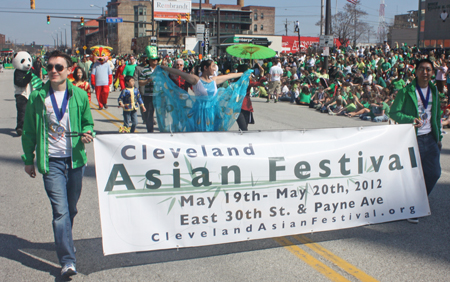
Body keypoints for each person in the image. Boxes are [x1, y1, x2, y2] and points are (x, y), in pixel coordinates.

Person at [21, 50, 94, 278]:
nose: (53, 70)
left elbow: (88, 122)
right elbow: (29, 131)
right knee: (60, 212)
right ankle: (67, 260)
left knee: (71, 209)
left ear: (70, 70)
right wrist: (28, 159)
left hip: (75, 161)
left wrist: (87, 132)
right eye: (50, 67)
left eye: (59, 67)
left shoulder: (79, 96)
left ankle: (65, 240)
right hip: (51, 162)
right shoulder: (38, 97)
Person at [390, 58, 442, 223]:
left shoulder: (434, 91)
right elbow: (394, 113)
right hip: (413, 138)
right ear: (416, 71)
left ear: (432, 73)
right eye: (421, 69)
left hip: (430, 138)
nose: (425, 72)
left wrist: (438, 136)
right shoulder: (406, 91)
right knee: (412, 175)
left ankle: (418, 200)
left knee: (434, 173)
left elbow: (437, 115)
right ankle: (413, 207)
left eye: (428, 69)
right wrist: (410, 119)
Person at [156, 59, 251, 132]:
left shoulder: (214, 80)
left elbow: (230, 75)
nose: (215, 68)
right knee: (200, 134)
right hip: (199, 113)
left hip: (214, 113)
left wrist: (245, 73)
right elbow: (179, 73)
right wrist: (164, 68)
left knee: (212, 134)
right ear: (205, 68)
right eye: (213, 66)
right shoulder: (196, 80)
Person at [138, 46, 160, 132]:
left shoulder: (161, 70)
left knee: (160, 113)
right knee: (149, 114)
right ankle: (150, 131)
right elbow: (140, 82)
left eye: (156, 59)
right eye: (153, 60)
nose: (155, 61)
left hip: (159, 95)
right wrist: (147, 81)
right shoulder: (145, 71)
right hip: (149, 95)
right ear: (149, 61)